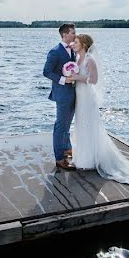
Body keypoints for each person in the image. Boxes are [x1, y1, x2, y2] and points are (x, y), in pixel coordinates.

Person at [69, 34, 129, 186]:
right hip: (79, 96)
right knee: (80, 124)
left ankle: (91, 159)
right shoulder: (77, 59)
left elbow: (94, 80)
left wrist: (77, 77)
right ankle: (83, 157)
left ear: (83, 44)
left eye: (76, 42)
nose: (73, 44)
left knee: (89, 125)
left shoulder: (89, 59)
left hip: (87, 98)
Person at [43, 23, 77, 170]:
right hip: (62, 94)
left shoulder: (74, 51)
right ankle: (59, 158)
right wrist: (64, 80)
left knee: (67, 125)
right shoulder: (55, 51)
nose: (75, 35)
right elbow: (46, 71)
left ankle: (67, 149)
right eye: (73, 33)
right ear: (64, 35)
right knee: (60, 126)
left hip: (74, 93)